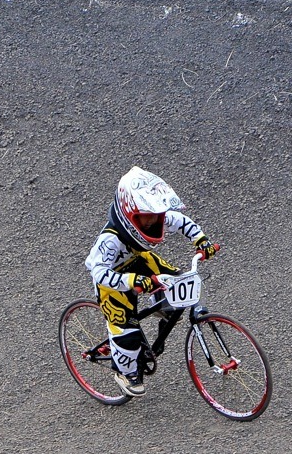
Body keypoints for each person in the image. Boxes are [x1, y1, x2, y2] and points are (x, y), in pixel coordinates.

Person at [85, 166, 220, 398]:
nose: (155, 221)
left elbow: (179, 221)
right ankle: (125, 373)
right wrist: (133, 281)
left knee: (177, 282)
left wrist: (200, 239)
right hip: (114, 282)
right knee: (126, 331)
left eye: (156, 216)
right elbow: (98, 273)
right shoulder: (109, 241)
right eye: (148, 217)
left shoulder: (153, 218)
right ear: (130, 212)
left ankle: (164, 308)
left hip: (140, 261)